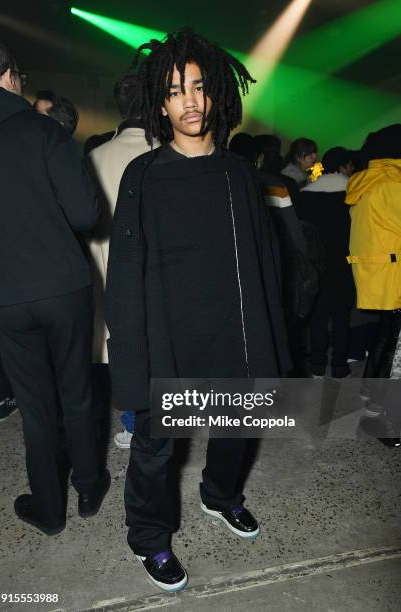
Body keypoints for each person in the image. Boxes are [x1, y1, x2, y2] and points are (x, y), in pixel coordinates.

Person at [105, 28, 291, 592]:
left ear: (216, 96)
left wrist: (271, 340)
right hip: (168, 339)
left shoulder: (238, 173)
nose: (188, 99)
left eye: (198, 87)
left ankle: (221, 496)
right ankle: (150, 537)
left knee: (238, 429)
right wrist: (133, 359)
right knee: (157, 451)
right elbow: (124, 274)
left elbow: (262, 263)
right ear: (160, 104)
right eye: (174, 90)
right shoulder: (144, 175)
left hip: (233, 333)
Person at [0, 38, 110, 535]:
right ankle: (88, 487)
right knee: (77, 391)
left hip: (2, 294)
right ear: (11, 75)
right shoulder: (44, 131)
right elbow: (86, 214)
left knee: (34, 405)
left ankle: (50, 509)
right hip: (63, 285)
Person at [86, 73, 158, 449]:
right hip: (159, 277)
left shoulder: (94, 158)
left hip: (110, 277)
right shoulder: (169, 154)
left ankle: (132, 425)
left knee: (123, 353)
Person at [346, 124, 401, 445]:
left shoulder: (370, 181)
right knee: (394, 351)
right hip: (394, 277)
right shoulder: (393, 184)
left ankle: (371, 396)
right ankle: (379, 417)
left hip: (378, 279)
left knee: (386, 337)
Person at [297, 147, 356, 378]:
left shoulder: (305, 193)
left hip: (316, 266)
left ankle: (318, 364)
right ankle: (340, 365)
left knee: (318, 318)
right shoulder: (353, 193)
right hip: (345, 263)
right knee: (342, 317)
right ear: (344, 166)